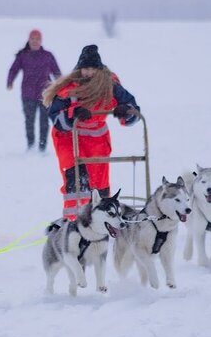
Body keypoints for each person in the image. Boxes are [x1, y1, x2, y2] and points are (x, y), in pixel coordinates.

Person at [42, 44, 140, 220]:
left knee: (99, 186)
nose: (87, 73)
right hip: (69, 138)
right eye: (84, 69)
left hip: (97, 139)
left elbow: (134, 110)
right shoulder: (69, 89)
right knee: (77, 182)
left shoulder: (111, 86)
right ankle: (73, 223)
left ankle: (102, 222)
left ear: (99, 69)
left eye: (91, 69)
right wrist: (73, 113)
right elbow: (55, 117)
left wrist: (125, 110)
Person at [7, 29, 61, 153]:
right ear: (29, 40)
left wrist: (61, 86)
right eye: (33, 39)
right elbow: (13, 69)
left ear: (41, 41)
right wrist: (10, 81)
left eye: (37, 39)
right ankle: (30, 145)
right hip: (28, 94)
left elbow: (56, 72)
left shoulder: (48, 55)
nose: (35, 41)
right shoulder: (23, 55)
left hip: (45, 94)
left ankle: (42, 146)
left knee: (44, 121)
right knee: (29, 121)